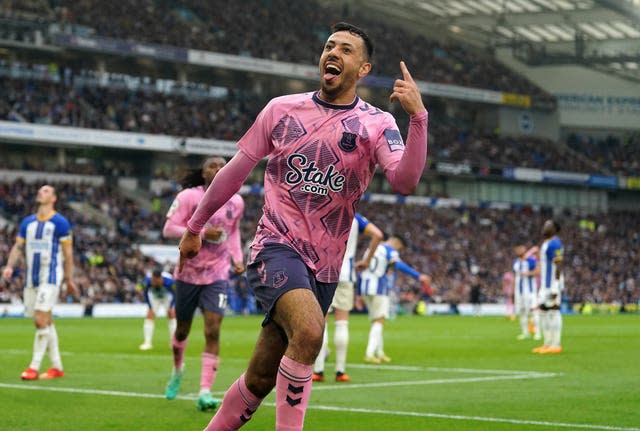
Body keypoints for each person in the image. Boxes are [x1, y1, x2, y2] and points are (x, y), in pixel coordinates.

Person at [179, 22, 428, 431]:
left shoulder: (377, 123)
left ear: (363, 69)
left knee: (259, 379)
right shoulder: (281, 109)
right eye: (330, 46)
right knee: (311, 332)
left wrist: (418, 118)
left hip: (325, 267)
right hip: (276, 246)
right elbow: (233, 172)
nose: (333, 53)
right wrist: (194, 226)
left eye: (346, 50)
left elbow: (405, 181)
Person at [162, 156, 245, 411]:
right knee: (182, 331)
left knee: (213, 329)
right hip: (188, 273)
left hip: (217, 274)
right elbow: (169, 229)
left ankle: (205, 392)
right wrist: (199, 232)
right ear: (204, 173)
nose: (218, 169)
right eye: (212, 166)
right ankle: (178, 370)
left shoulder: (236, 201)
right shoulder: (188, 197)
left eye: (223, 165)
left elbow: (233, 232)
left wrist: (238, 258)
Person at [1, 184, 76, 380]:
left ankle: (33, 368)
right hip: (31, 278)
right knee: (45, 321)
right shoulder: (28, 223)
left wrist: (69, 278)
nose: (40, 193)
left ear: (54, 198)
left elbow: (68, 255)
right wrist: (9, 266)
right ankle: (57, 367)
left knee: (40, 318)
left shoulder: (60, 223)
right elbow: (18, 247)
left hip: (50, 276)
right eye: (40, 191)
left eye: (46, 191)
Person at [312, 212, 383, 383]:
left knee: (322, 323)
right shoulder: (355, 216)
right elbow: (378, 235)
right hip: (345, 273)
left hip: (321, 272)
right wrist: (366, 261)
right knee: (342, 323)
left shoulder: (322, 208)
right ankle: (340, 371)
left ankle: (319, 370)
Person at [359, 235, 430, 364]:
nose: (398, 249)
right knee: (379, 321)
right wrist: (418, 276)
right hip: (379, 288)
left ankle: (379, 352)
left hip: (365, 286)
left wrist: (358, 292)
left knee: (376, 320)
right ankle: (369, 353)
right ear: (396, 242)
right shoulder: (389, 250)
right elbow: (398, 264)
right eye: (399, 247)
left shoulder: (371, 249)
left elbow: (362, 268)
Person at [533, 220, 564, 354]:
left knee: (553, 311)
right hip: (545, 285)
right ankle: (547, 343)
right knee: (543, 312)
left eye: (548, 226)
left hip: (552, 284)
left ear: (554, 229)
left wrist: (556, 287)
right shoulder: (545, 244)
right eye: (544, 225)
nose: (544, 227)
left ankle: (556, 344)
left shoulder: (555, 243)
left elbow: (559, 265)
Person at [138, 268, 177, 351]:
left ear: (160, 279)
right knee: (150, 315)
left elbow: (176, 293)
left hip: (167, 296)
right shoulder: (147, 281)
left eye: (155, 280)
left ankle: (173, 342)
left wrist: (171, 306)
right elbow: (145, 292)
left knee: (172, 315)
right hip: (154, 297)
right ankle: (147, 343)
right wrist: (150, 306)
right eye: (153, 280)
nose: (154, 282)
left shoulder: (170, 282)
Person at [512, 245, 541, 340]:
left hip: (530, 291)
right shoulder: (516, 262)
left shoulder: (531, 261)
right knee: (522, 311)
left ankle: (537, 332)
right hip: (519, 292)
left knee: (534, 311)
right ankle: (525, 332)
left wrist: (528, 273)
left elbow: (538, 272)